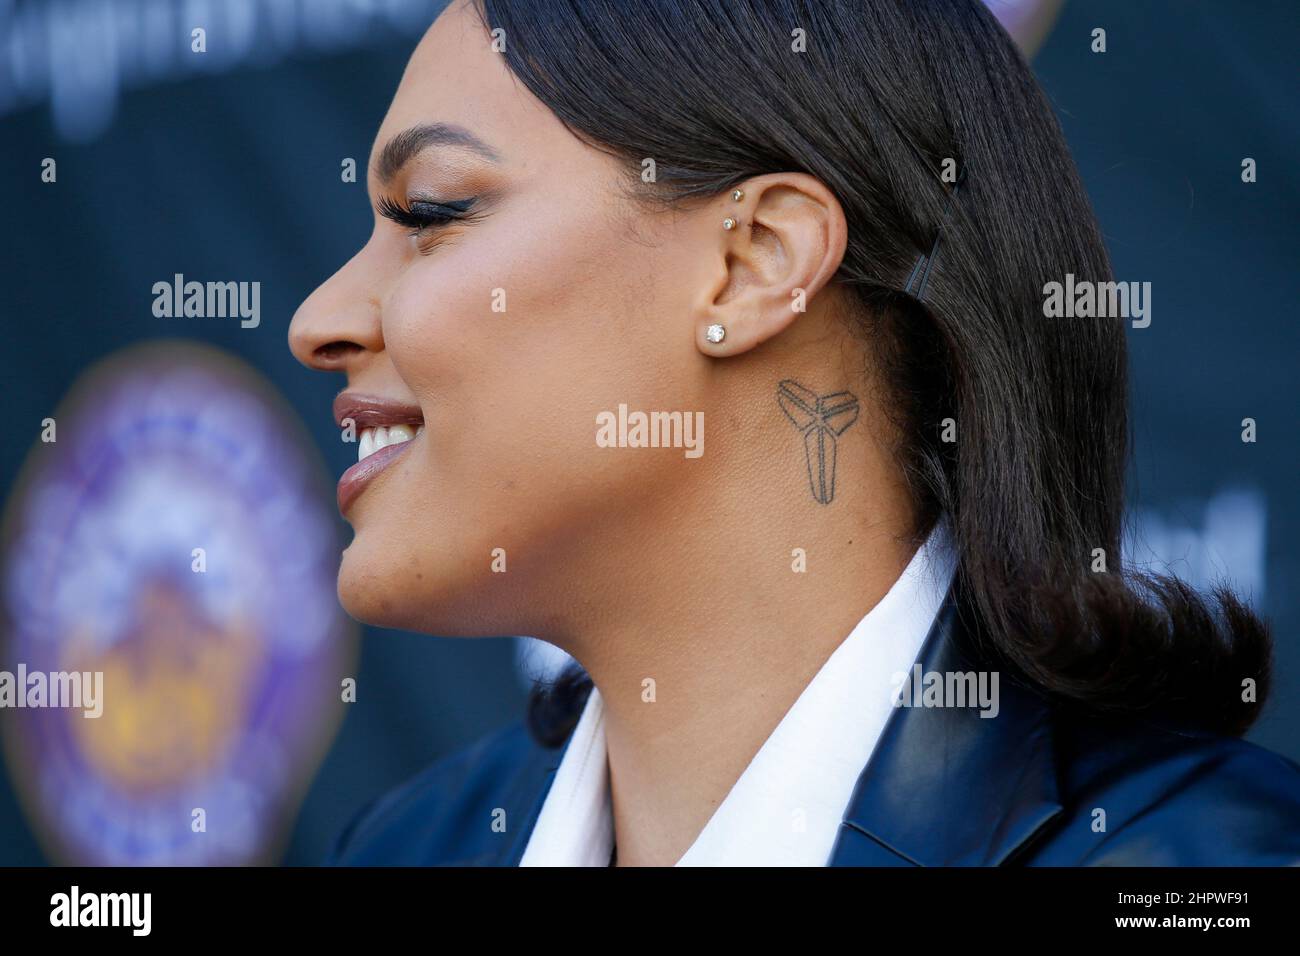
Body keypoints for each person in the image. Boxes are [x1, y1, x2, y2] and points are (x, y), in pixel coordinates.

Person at [288, 0, 1300, 866]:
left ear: (757, 259)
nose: (318, 318)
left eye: (433, 209)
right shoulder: (401, 847)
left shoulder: (1204, 860)